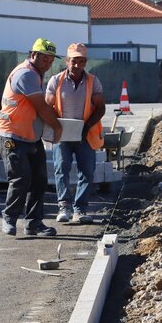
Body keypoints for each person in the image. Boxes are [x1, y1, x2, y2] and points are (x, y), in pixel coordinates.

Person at [0, 38, 64, 237]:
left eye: (51, 60)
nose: (48, 63)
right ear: (33, 55)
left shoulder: (36, 74)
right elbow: (41, 107)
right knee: (20, 178)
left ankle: (34, 223)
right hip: (12, 135)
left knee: (40, 179)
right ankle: (9, 218)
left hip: (30, 136)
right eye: (44, 59)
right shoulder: (25, 74)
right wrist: (57, 127)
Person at [46, 43, 105, 224]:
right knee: (61, 169)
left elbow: (100, 108)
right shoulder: (56, 81)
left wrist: (86, 126)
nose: (77, 65)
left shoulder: (93, 81)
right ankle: (64, 206)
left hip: (85, 134)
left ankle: (80, 209)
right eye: (74, 61)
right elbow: (48, 107)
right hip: (62, 134)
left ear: (85, 62)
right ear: (67, 61)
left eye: (81, 61)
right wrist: (56, 126)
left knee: (87, 171)